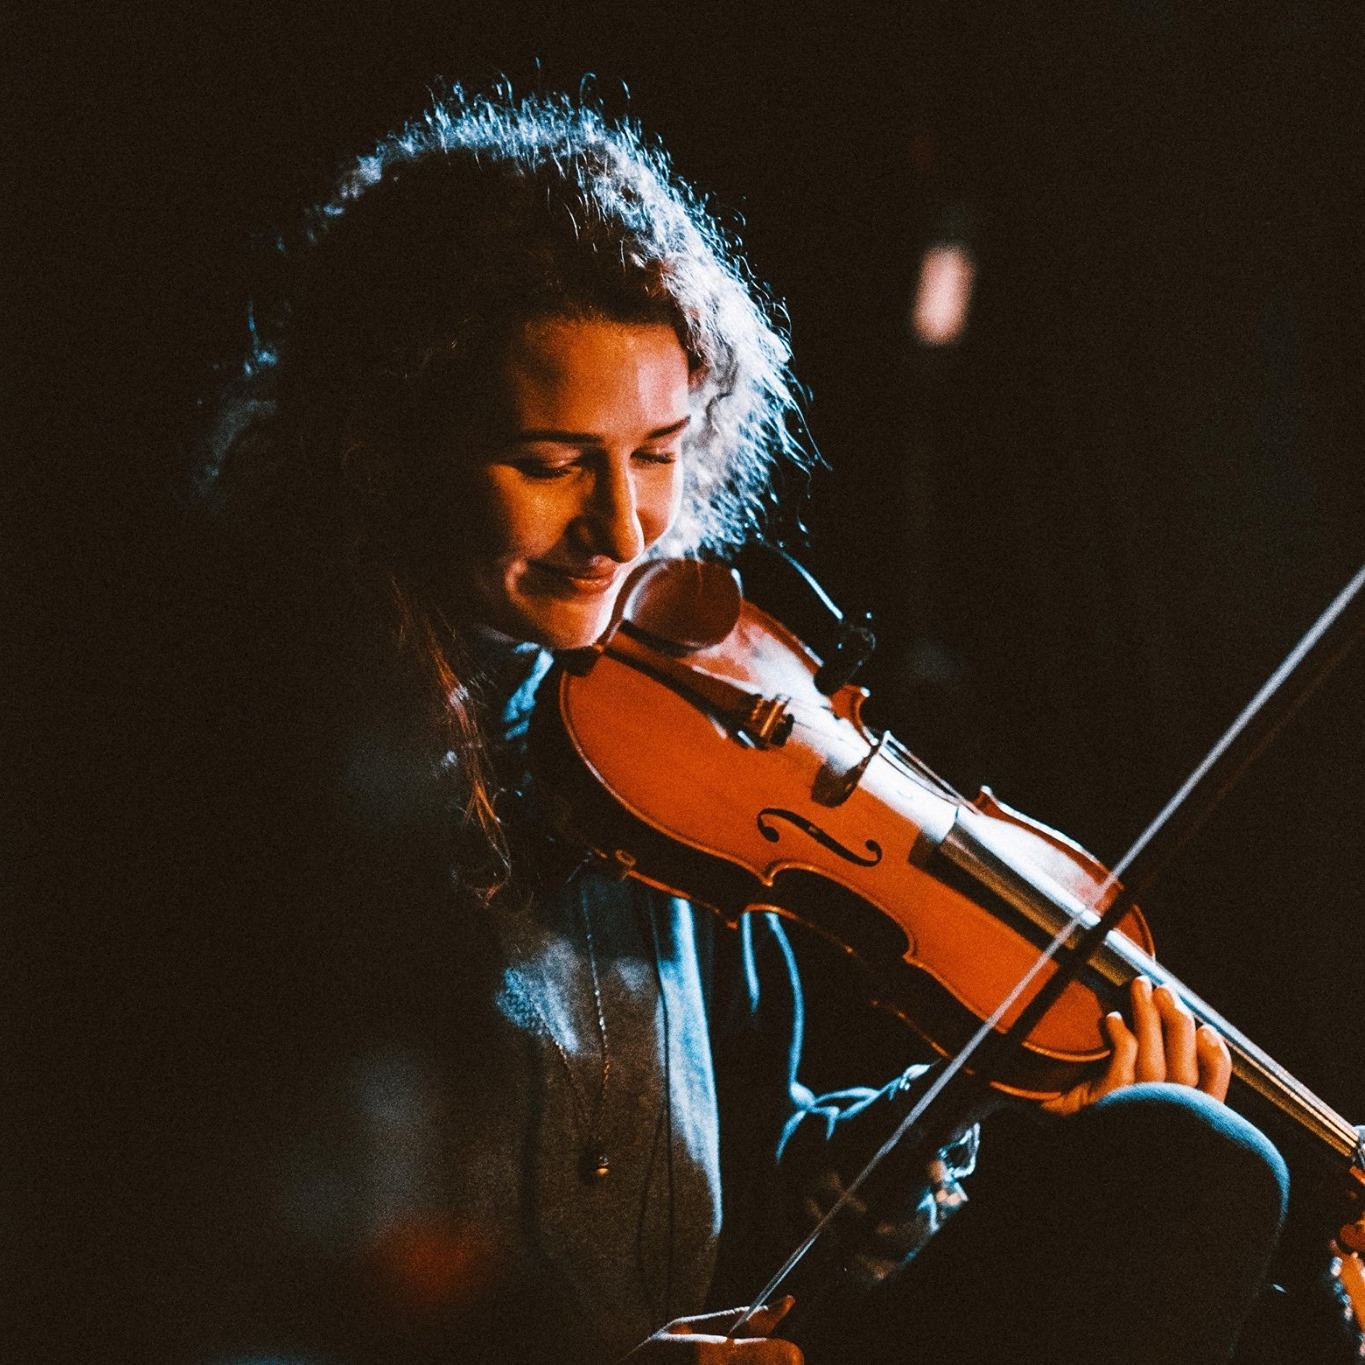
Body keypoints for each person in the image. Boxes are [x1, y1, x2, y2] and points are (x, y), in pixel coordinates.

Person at [163, 85, 1361, 1365]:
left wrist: (950, 1112)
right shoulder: (283, 791)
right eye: (553, 461)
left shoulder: (678, 765)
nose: (624, 529)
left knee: (1193, 1163)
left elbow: (773, 1178)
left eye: (657, 453)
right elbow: (212, 1284)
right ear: (386, 447)